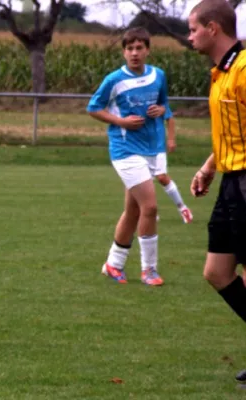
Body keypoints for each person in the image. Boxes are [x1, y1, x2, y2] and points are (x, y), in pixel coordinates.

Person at [186, 0, 246, 382]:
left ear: (213, 28)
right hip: (230, 181)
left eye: (192, 29)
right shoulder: (220, 73)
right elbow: (231, 131)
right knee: (217, 271)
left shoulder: (243, 68)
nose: (188, 36)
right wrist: (208, 168)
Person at [87, 27, 171, 286]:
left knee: (133, 211)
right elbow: (93, 108)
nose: (134, 53)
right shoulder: (114, 79)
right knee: (151, 207)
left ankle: (114, 264)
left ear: (147, 49)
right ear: (124, 52)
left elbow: (165, 105)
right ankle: (149, 270)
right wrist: (121, 121)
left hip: (151, 148)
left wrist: (160, 110)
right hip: (125, 151)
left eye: (139, 48)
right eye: (130, 48)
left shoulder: (158, 75)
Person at [154, 111, 193, 224]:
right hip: (140, 146)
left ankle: (183, 208)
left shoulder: (157, 96)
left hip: (157, 146)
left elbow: (169, 118)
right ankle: (151, 212)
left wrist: (171, 139)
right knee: (144, 181)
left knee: (162, 177)